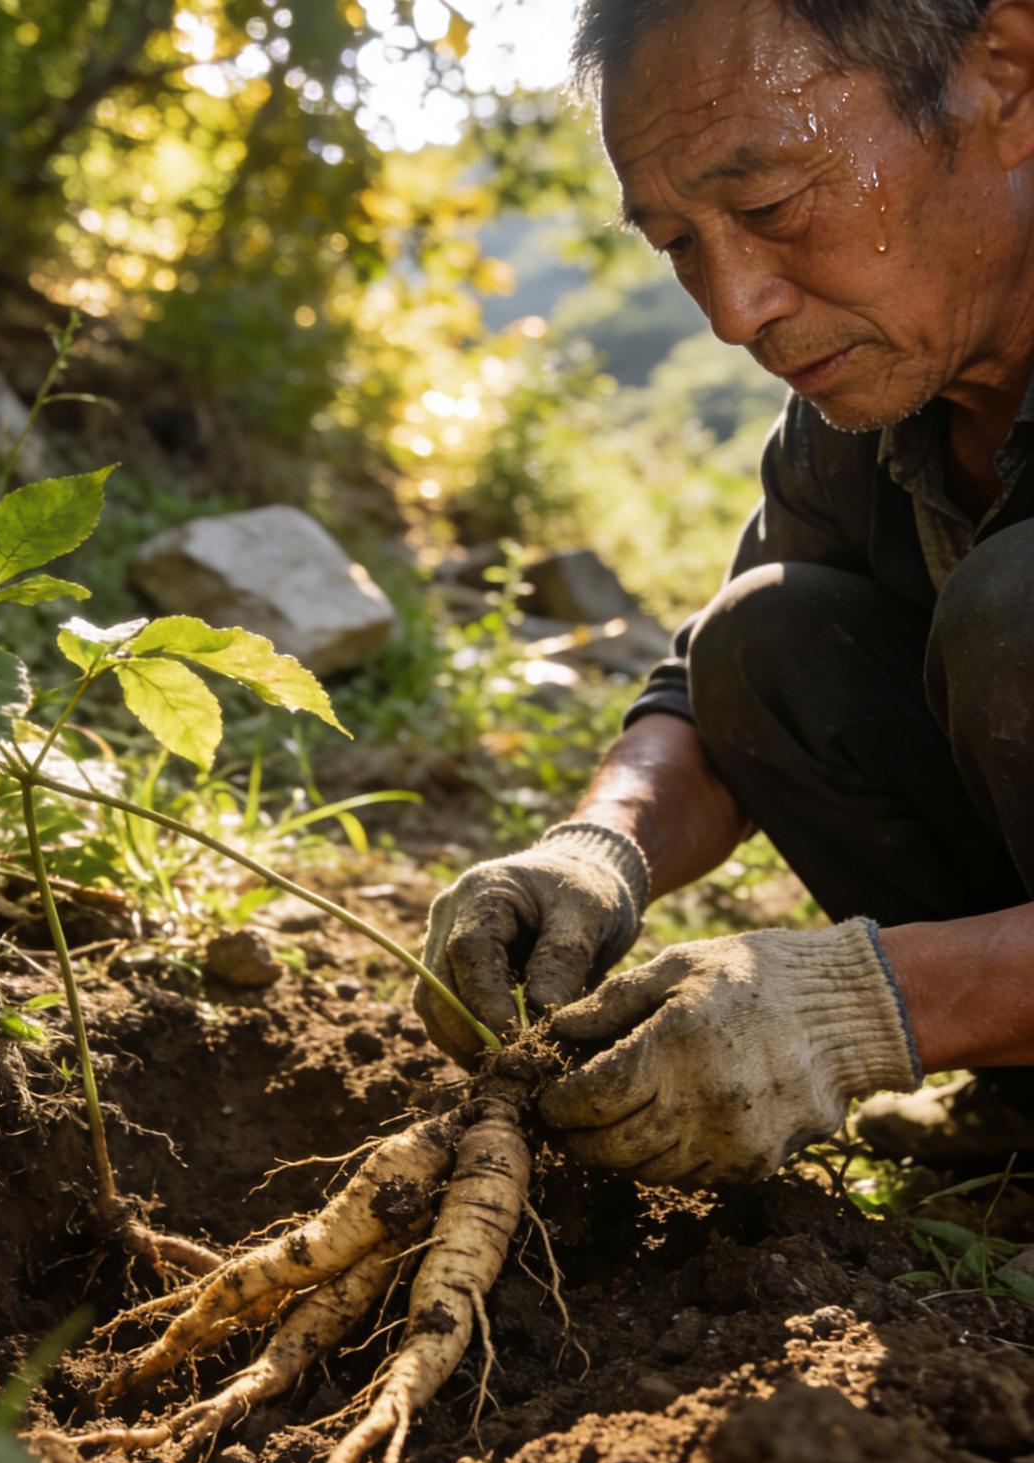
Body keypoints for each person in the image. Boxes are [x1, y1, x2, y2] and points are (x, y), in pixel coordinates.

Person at [415, 0, 1034, 1182]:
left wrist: (872, 1001)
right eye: (678, 243)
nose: (731, 310)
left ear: (1001, 77)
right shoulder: (865, 408)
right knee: (760, 640)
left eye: (766, 205)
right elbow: (703, 691)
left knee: (1014, 608)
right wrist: (594, 852)